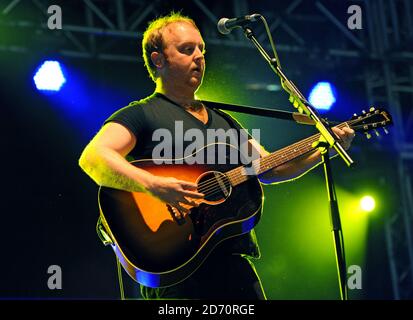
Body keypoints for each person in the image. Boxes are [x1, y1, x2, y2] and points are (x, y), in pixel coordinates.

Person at [78, 12, 355, 300]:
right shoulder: (142, 113)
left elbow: (270, 168)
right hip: (177, 268)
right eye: (187, 49)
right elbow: (93, 157)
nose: (199, 57)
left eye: (201, 49)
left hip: (234, 265)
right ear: (159, 60)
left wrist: (326, 148)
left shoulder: (224, 120)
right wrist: (154, 185)